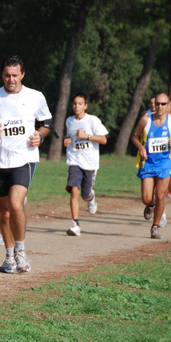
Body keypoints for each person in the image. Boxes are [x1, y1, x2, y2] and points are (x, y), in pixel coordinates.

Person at [0, 55, 52, 273]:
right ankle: (9, 257)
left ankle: (21, 253)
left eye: (15, 75)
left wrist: (40, 135)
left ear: (22, 75)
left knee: (16, 203)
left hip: (25, 158)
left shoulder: (35, 97)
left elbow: (46, 123)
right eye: (7, 75)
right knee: (4, 211)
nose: (11, 79)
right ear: (3, 75)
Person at [131, 93, 171, 239]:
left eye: (163, 104)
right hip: (148, 163)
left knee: (160, 195)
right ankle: (150, 205)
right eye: (158, 104)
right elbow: (134, 136)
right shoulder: (145, 120)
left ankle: (155, 227)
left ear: (169, 105)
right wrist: (141, 148)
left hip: (164, 163)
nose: (160, 107)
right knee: (146, 197)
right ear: (154, 105)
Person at [63, 93, 108, 236]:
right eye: (75, 103)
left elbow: (104, 140)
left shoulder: (92, 120)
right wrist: (66, 141)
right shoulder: (69, 121)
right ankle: (75, 225)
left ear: (85, 106)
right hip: (74, 160)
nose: (77, 106)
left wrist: (87, 136)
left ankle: (91, 197)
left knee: (85, 195)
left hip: (90, 163)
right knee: (74, 191)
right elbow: (69, 137)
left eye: (80, 104)